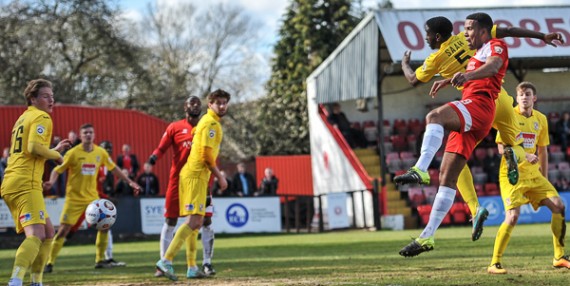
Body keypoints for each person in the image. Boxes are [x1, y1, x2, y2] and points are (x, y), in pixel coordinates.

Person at [399, 15, 565, 242]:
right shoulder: (468, 37)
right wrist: (541, 36)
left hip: (477, 104)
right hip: (502, 99)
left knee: (456, 156)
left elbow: (412, 79)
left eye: (427, 34)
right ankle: (515, 154)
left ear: (436, 36)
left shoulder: (436, 58)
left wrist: (405, 63)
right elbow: (510, 30)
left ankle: (474, 207)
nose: (426, 38)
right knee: (512, 143)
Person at [396, 12, 510, 257]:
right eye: (464, 29)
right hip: (472, 108)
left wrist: (463, 76)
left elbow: (494, 66)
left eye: (469, 29)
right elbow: (471, 74)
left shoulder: (495, 46)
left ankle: (420, 169)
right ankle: (427, 237)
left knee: (434, 116)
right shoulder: (473, 54)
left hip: (481, 107)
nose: (465, 33)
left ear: (482, 31)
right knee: (447, 178)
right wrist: (449, 80)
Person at [487, 82, 570, 274]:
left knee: (559, 206)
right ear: (517, 98)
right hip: (512, 174)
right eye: (521, 95)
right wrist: (523, 155)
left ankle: (559, 257)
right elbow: (501, 148)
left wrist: (545, 177)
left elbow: (543, 151)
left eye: (528, 94)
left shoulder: (541, 119)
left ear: (535, 98)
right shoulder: (509, 117)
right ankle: (494, 263)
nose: (524, 97)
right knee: (513, 216)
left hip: (535, 175)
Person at [42, 123, 141, 272]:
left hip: (92, 199)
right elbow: (57, 169)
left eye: (90, 132)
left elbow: (114, 168)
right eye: (85, 133)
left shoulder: (100, 152)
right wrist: (51, 182)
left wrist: (130, 182)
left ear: (94, 135)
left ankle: (100, 259)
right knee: (63, 231)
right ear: (81, 136)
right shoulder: (73, 153)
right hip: (74, 199)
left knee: (105, 225)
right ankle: (49, 263)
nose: (88, 135)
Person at [1, 79, 72, 286]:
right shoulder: (42, 117)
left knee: (49, 232)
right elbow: (33, 147)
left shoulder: (22, 118)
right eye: (45, 96)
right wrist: (57, 156)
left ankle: (36, 281)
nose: (51, 100)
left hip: (12, 181)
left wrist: (54, 150)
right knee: (37, 234)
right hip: (25, 182)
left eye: (52, 96)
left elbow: (31, 148)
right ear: (32, 99)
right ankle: (15, 281)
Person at [156, 89, 230, 281]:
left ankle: (191, 267)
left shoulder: (205, 122)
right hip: (196, 176)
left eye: (225, 103)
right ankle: (166, 261)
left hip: (197, 176)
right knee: (194, 222)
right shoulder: (211, 124)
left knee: (196, 223)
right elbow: (206, 156)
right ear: (210, 104)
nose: (222, 106)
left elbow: (196, 134)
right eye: (218, 103)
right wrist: (220, 177)